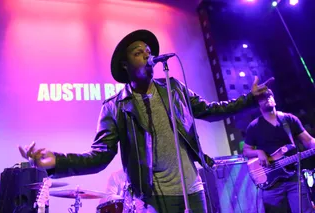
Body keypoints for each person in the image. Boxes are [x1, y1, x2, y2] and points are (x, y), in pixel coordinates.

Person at [19, 29, 273, 213]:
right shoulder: (114, 106)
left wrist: (249, 99)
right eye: (138, 52)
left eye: (149, 52)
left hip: (193, 192)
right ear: (125, 65)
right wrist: (57, 161)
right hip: (152, 199)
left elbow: (210, 110)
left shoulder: (174, 88)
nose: (147, 55)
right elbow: (99, 157)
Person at [243, 89, 315, 213]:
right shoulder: (253, 126)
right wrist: (258, 152)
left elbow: (308, 141)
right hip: (270, 183)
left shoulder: (289, 119)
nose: (267, 99)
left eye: (269, 96)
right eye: (262, 98)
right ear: (257, 104)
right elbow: (246, 151)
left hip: (294, 178)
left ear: (274, 99)